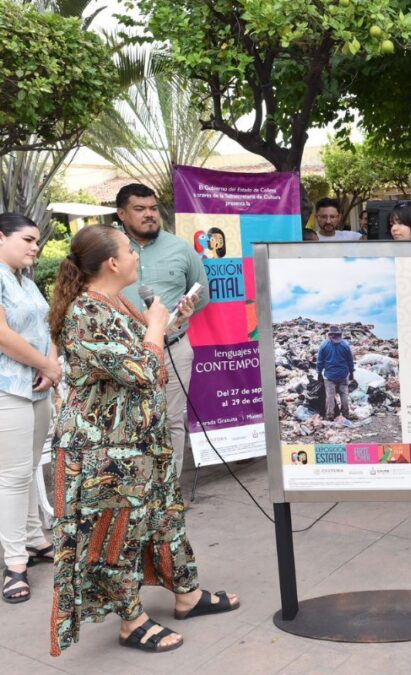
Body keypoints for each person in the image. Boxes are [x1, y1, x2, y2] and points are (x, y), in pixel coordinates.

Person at [47, 224, 238, 655]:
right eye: (130, 252)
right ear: (113, 262)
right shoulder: (85, 313)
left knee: (163, 518)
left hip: (141, 441)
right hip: (107, 450)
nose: (137, 257)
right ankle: (131, 621)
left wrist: (169, 325)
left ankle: (185, 593)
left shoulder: (112, 302)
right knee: (120, 533)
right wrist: (154, 322)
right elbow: (141, 371)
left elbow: (139, 355)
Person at [115, 184, 208, 478]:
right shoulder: (106, 247)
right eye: (139, 209)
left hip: (173, 350)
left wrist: (185, 310)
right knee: (126, 422)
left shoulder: (180, 247)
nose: (149, 215)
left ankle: (168, 495)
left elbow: (201, 294)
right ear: (121, 213)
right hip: (121, 354)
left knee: (170, 422)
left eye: (153, 208)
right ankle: (134, 494)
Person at [0, 214, 60, 605]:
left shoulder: (25, 280)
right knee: (13, 476)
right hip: (9, 389)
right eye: (27, 240)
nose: (34, 248)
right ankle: (14, 564)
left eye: (37, 241)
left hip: (39, 387)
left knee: (32, 465)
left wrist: (51, 365)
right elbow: (3, 335)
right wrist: (45, 365)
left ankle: (36, 541)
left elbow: (48, 326)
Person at [316, 325, 354, 426]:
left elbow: (320, 361)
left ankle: (329, 416)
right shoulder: (345, 345)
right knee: (344, 395)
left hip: (329, 376)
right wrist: (351, 373)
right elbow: (350, 361)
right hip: (343, 374)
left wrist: (319, 373)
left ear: (329, 335)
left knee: (330, 396)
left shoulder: (324, 345)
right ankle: (346, 414)